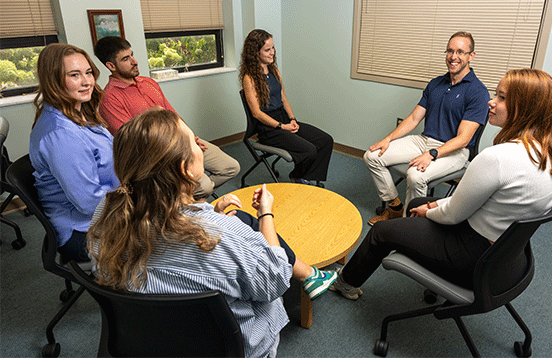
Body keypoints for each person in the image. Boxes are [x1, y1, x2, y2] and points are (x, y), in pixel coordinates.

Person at [87, 109, 337, 358]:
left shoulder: (104, 215)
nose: (200, 144)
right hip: (228, 349)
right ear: (185, 169)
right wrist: (265, 215)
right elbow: (276, 281)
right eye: (194, 140)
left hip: (148, 342)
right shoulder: (222, 236)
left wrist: (210, 214)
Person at [330, 69, 552, 300]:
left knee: (381, 232)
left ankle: (345, 283)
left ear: (527, 108)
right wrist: (431, 205)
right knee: (416, 202)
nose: (492, 102)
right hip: (506, 256)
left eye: (502, 97)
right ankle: (409, 231)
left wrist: (430, 211)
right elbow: (476, 199)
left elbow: (454, 215)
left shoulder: (497, 158)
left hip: (473, 257)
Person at [364, 31, 490, 225]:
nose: (453, 57)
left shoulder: (478, 92)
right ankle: (395, 208)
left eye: (460, 52)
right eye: (450, 51)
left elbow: (463, 139)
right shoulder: (436, 83)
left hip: (454, 150)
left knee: (415, 176)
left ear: (471, 56)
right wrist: (387, 139)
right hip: (424, 140)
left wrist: (432, 154)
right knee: (372, 156)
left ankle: (408, 226)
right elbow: (414, 118)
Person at [93, 36, 239, 199]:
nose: (134, 61)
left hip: (183, 141)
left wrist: (191, 138)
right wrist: (178, 149)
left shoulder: (148, 83)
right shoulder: (109, 99)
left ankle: (183, 198)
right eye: (126, 59)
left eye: (132, 55)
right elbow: (133, 142)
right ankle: (187, 198)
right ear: (111, 66)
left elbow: (173, 115)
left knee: (231, 167)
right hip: (160, 156)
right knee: (203, 186)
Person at [29, 43, 119, 262]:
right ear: (54, 80)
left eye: (88, 72)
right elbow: (90, 203)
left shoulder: (80, 115)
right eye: (74, 75)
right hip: (85, 231)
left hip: (109, 209)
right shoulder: (61, 135)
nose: (87, 81)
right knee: (169, 240)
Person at [240, 29, 334, 186]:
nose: (272, 53)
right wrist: (282, 126)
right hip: (269, 128)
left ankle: (306, 175)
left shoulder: (274, 71)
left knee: (326, 141)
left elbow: (283, 98)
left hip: (284, 118)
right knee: (309, 150)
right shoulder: (249, 78)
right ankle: (296, 176)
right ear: (255, 53)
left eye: (273, 48)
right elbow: (256, 113)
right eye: (267, 50)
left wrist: (292, 119)